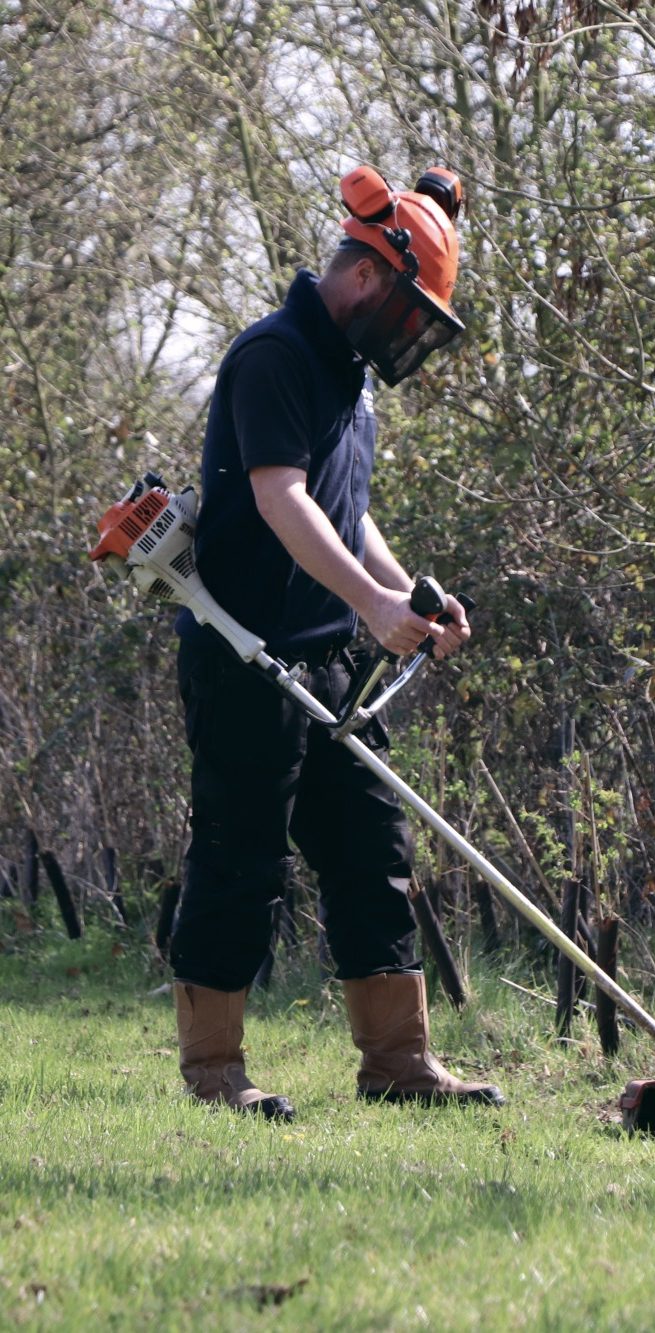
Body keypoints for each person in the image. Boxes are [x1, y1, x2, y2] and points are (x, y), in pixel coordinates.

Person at [169, 164, 504, 1121]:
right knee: (242, 858)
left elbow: (347, 515)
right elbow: (283, 500)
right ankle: (214, 1075)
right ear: (365, 276)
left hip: (329, 662)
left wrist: (408, 600)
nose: (411, 333)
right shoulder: (273, 356)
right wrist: (371, 606)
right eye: (409, 310)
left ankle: (398, 1061)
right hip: (246, 654)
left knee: (371, 848)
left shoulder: (350, 378)